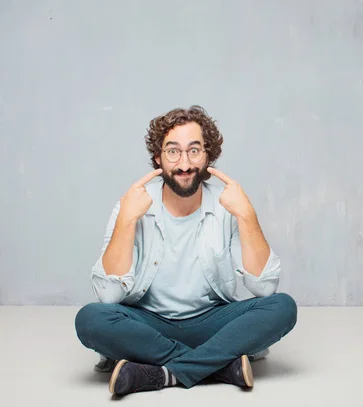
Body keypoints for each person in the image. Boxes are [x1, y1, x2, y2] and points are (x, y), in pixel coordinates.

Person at [74, 105, 297, 397]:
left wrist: (247, 215)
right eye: (172, 151)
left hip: (212, 322)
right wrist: (126, 220)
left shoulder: (227, 205)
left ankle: (161, 372)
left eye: (194, 151)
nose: (184, 164)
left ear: (208, 156)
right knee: (90, 319)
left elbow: (265, 288)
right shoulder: (132, 204)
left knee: (282, 308)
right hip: (147, 323)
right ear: (158, 157)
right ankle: (217, 365)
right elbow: (108, 296)